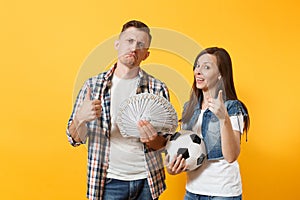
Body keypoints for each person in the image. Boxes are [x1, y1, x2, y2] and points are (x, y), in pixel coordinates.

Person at [66, 20, 170, 200]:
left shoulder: (157, 88)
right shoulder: (93, 86)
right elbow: (74, 139)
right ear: (117, 44)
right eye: (129, 41)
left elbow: (164, 143)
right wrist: (80, 119)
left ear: (146, 54)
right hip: (108, 182)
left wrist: (153, 140)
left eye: (141, 45)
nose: (134, 48)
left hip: (148, 181)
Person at [166, 47, 250, 200]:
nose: (198, 71)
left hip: (222, 193)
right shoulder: (189, 107)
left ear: (220, 75)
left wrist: (223, 118)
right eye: (197, 66)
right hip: (192, 191)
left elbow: (231, 156)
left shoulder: (232, 107)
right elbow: (182, 149)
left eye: (206, 67)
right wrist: (173, 167)